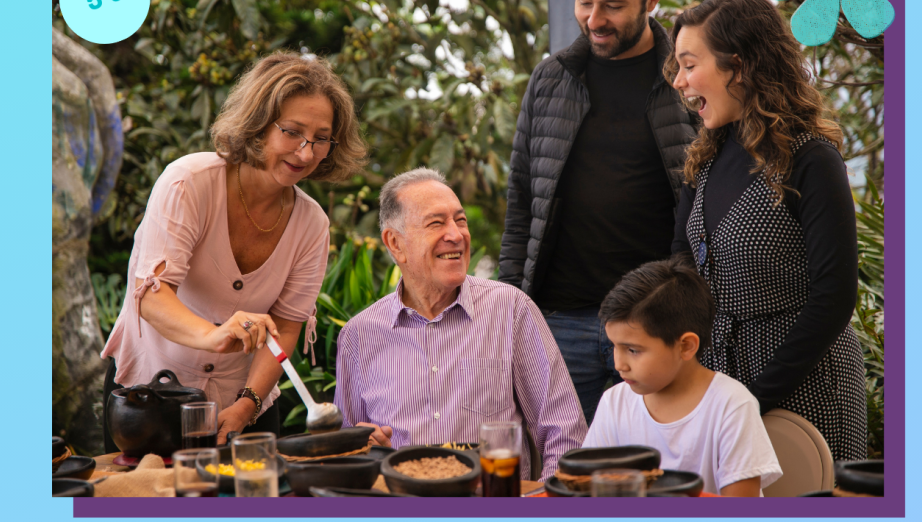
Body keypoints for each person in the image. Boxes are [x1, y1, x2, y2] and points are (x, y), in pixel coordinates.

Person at [101, 52, 367, 448]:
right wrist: (215, 336)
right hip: (148, 402)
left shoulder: (312, 225)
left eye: (322, 138)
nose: (306, 152)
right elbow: (152, 298)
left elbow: (289, 325)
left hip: (244, 408)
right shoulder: (188, 183)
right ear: (259, 124)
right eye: (292, 132)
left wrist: (247, 405)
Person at [497, 0, 696, 423]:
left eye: (613, 6)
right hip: (561, 322)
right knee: (568, 480)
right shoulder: (550, 79)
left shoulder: (686, 81)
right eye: (585, 1)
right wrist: (509, 310)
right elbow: (522, 203)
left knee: (662, 480)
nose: (594, 19)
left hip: (657, 326)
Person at [666, 0, 867, 461]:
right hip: (726, 387)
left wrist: (756, 395)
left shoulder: (811, 157)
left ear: (738, 67)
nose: (679, 81)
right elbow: (681, 262)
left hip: (806, 389)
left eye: (690, 65)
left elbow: (835, 295)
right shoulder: (707, 156)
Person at [335, 168, 588, 480]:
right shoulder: (359, 336)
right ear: (395, 243)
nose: (456, 234)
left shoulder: (510, 310)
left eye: (461, 220)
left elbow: (565, 433)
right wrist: (368, 450)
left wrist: (544, 503)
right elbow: (348, 454)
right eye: (436, 223)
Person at [583, 257, 782, 496]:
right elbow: (591, 493)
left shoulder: (732, 405)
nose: (618, 364)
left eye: (633, 350)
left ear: (686, 346)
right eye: (614, 346)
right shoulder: (613, 403)